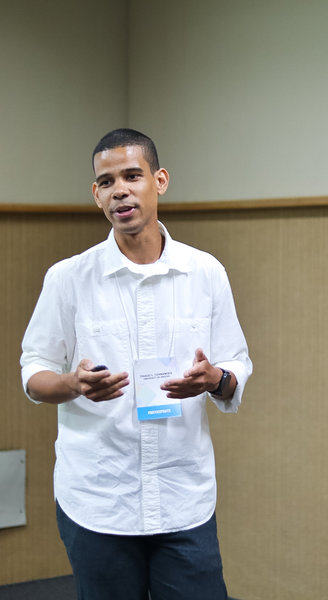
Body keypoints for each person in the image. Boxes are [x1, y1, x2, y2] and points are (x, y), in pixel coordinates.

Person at [20, 128, 252, 600]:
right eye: (106, 182)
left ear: (159, 181)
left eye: (132, 176)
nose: (119, 190)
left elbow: (235, 366)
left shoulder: (206, 272)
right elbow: (34, 373)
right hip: (99, 499)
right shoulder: (68, 277)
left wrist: (216, 379)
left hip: (183, 497)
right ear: (96, 194)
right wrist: (72, 384)